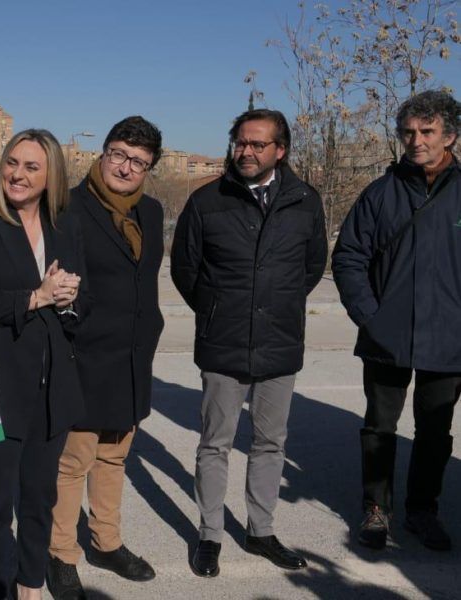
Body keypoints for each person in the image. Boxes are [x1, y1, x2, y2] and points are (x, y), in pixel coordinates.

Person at [171, 109, 326, 577]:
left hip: (279, 342)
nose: (246, 151)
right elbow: (185, 269)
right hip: (223, 343)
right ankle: (209, 535)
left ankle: (260, 531)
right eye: (241, 142)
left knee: (269, 443)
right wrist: (217, 309)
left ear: (281, 150)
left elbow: (312, 266)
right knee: (215, 443)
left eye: (258, 144)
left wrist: (278, 306)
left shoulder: (304, 200)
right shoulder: (206, 201)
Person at [0, 129, 86, 600]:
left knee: (40, 498)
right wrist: (36, 297)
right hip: (0, 388)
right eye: (12, 163)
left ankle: (30, 584)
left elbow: (80, 302)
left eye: (31, 166)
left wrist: (69, 300)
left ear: (51, 174)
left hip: (53, 389)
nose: (17, 174)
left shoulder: (65, 225)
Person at [332, 90, 461, 552]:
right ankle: (376, 508)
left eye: (427, 131)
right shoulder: (380, 193)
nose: (416, 140)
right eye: (408, 131)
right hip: (387, 336)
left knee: (434, 430)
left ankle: (423, 509)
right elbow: (348, 256)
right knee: (379, 427)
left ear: (450, 135)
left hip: (449, 339)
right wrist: (370, 316)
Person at [45, 116, 164, 600]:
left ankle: (107, 543)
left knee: (115, 456)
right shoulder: (68, 207)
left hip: (133, 357)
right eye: (118, 154)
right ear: (102, 154)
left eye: (138, 161)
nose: (125, 166)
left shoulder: (152, 212)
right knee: (74, 462)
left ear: (148, 168)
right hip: (84, 355)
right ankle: (61, 555)